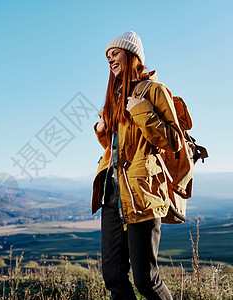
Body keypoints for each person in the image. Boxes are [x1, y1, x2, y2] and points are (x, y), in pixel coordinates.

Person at [91, 31, 182, 299]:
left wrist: (142, 109)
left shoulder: (155, 91)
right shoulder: (115, 96)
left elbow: (172, 141)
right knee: (114, 278)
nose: (110, 60)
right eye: (107, 57)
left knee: (146, 280)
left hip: (143, 193)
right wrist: (101, 130)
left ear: (132, 56)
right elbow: (118, 147)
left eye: (115, 53)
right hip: (112, 193)